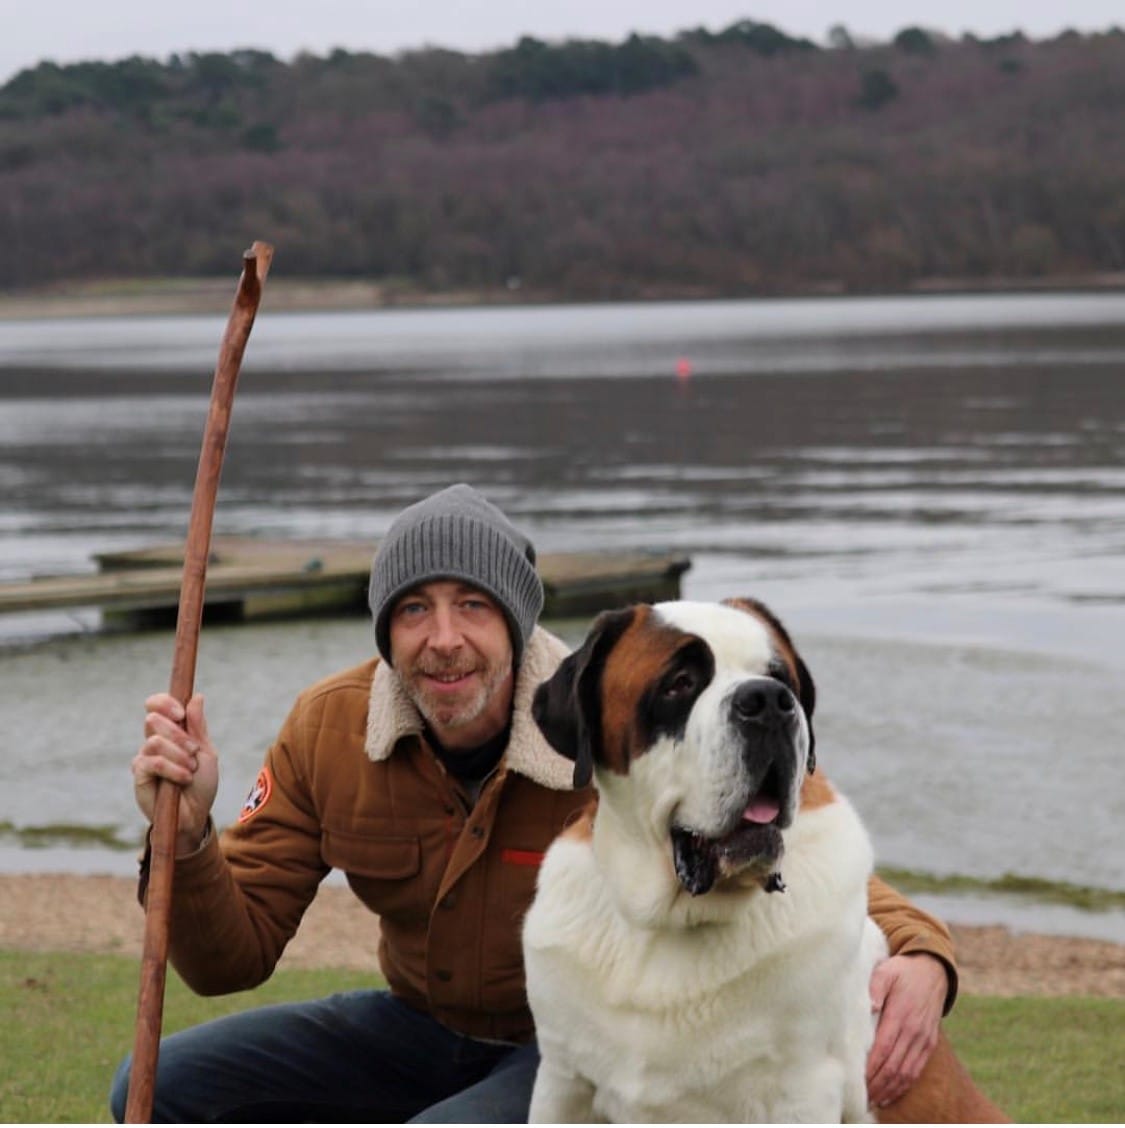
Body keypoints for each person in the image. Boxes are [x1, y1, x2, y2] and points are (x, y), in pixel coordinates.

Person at [110, 483, 957, 1122]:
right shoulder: (328, 729)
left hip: (561, 1046)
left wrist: (922, 954)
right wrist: (184, 840)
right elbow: (229, 959)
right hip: (413, 1025)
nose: (444, 639)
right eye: (414, 610)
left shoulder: (613, 713)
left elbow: (788, 839)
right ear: (385, 631)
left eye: (472, 606)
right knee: (155, 1090)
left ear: (514, 625)